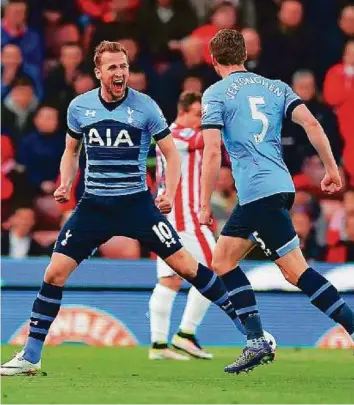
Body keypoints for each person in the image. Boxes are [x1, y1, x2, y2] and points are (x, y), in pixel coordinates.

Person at [1, 40, 252, 376]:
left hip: (136, 205)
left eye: (123, 66)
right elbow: (71, 152)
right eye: (113, 67)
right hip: (93, 206)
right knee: (53, 274)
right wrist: (65, 182)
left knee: (189, 268)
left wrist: (169, 191)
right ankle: (31, 356)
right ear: (98, 72)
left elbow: (171, 153)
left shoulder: (145, 107)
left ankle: (253, 335)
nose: (120, 73)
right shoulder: (80, 107)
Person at [199, 29, 354, 374]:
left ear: (213, 60)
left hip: (257, 192)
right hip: (279, 187)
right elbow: (311, 123)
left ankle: (260, 340)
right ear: (244, 55)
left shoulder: (215, 94)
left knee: (263, 266)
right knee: (252, 264)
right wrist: (331, 169)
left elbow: (211, 151)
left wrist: (203, 202)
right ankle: (260, 339)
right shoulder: (276, 87)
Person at [149, 91, 213, 360]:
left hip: (168, 220)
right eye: (198, 115)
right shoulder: (176, 136)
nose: (201, 122)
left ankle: (159, 345)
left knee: (170, 280)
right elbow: (210, 140)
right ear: (182, 111)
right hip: (184, 220)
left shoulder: (178, 137)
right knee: (217, 270)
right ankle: (186, 334)